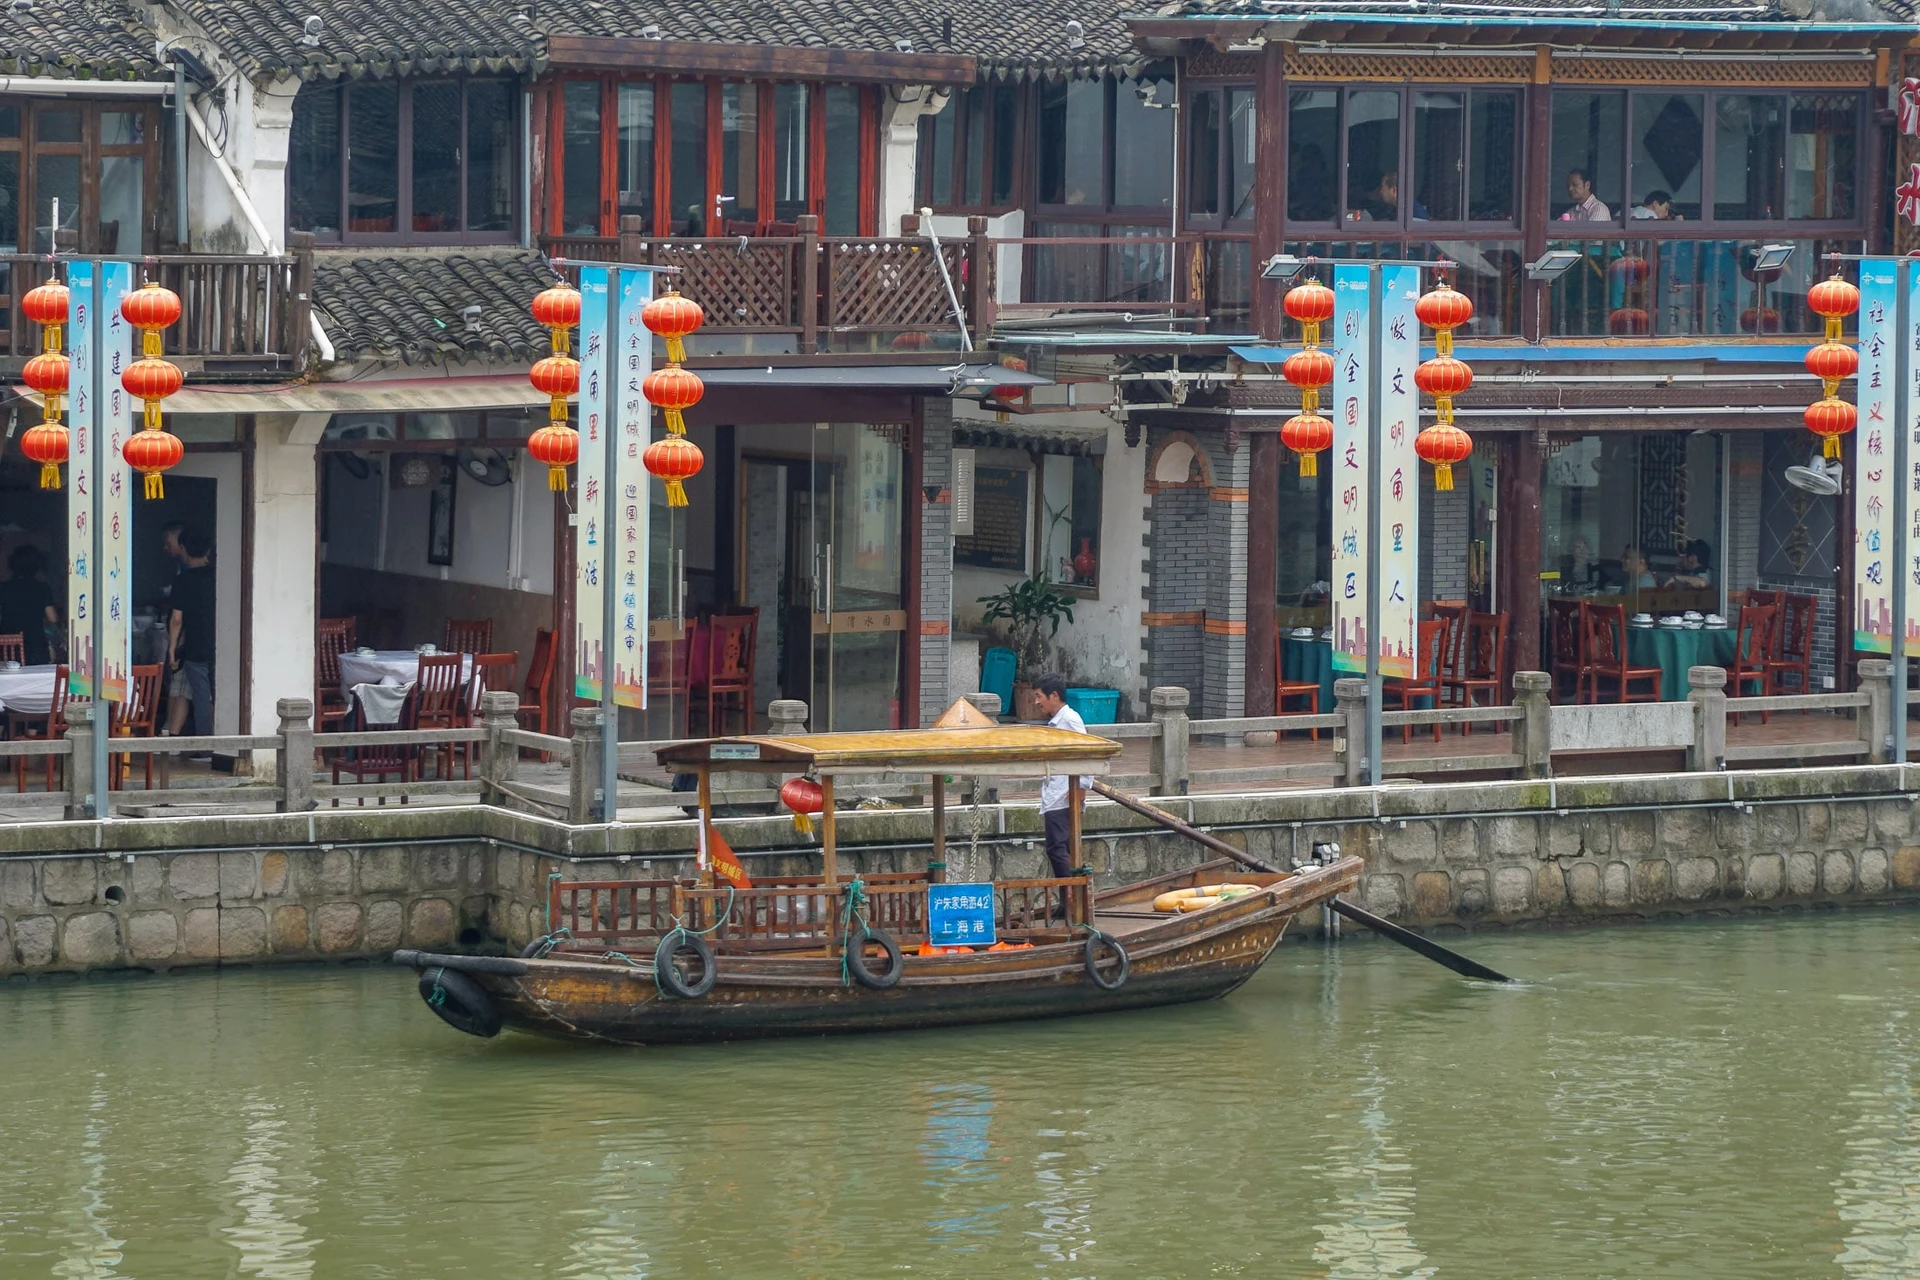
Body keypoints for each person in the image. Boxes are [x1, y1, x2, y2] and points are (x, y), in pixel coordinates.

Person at [1033, 673, 1091, 915]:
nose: (1037, 702)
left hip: (1063, 795)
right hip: (1056, 792)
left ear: (1054, 696)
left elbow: (1088, 753)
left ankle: (1072, 898)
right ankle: (1068, 900)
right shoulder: (1058, 720)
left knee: (1057, 847)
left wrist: (1082, 788)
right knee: (1060, 846)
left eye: (1039, 696)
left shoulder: (1070, 719)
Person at [164, 527, 216, 750]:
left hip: (196, 647)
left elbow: (177, 620)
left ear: (183, 549)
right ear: (209, 550)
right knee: (218, 693)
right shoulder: (219, 575)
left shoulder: (183, 580)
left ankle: (206, 747)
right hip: (222, 644)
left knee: (202, 697)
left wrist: (172, 648)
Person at [0, 544, 58, 666]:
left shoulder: (3, 588)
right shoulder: (42, 588)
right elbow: (52, 618)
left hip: (8, 646)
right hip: (36, 645)